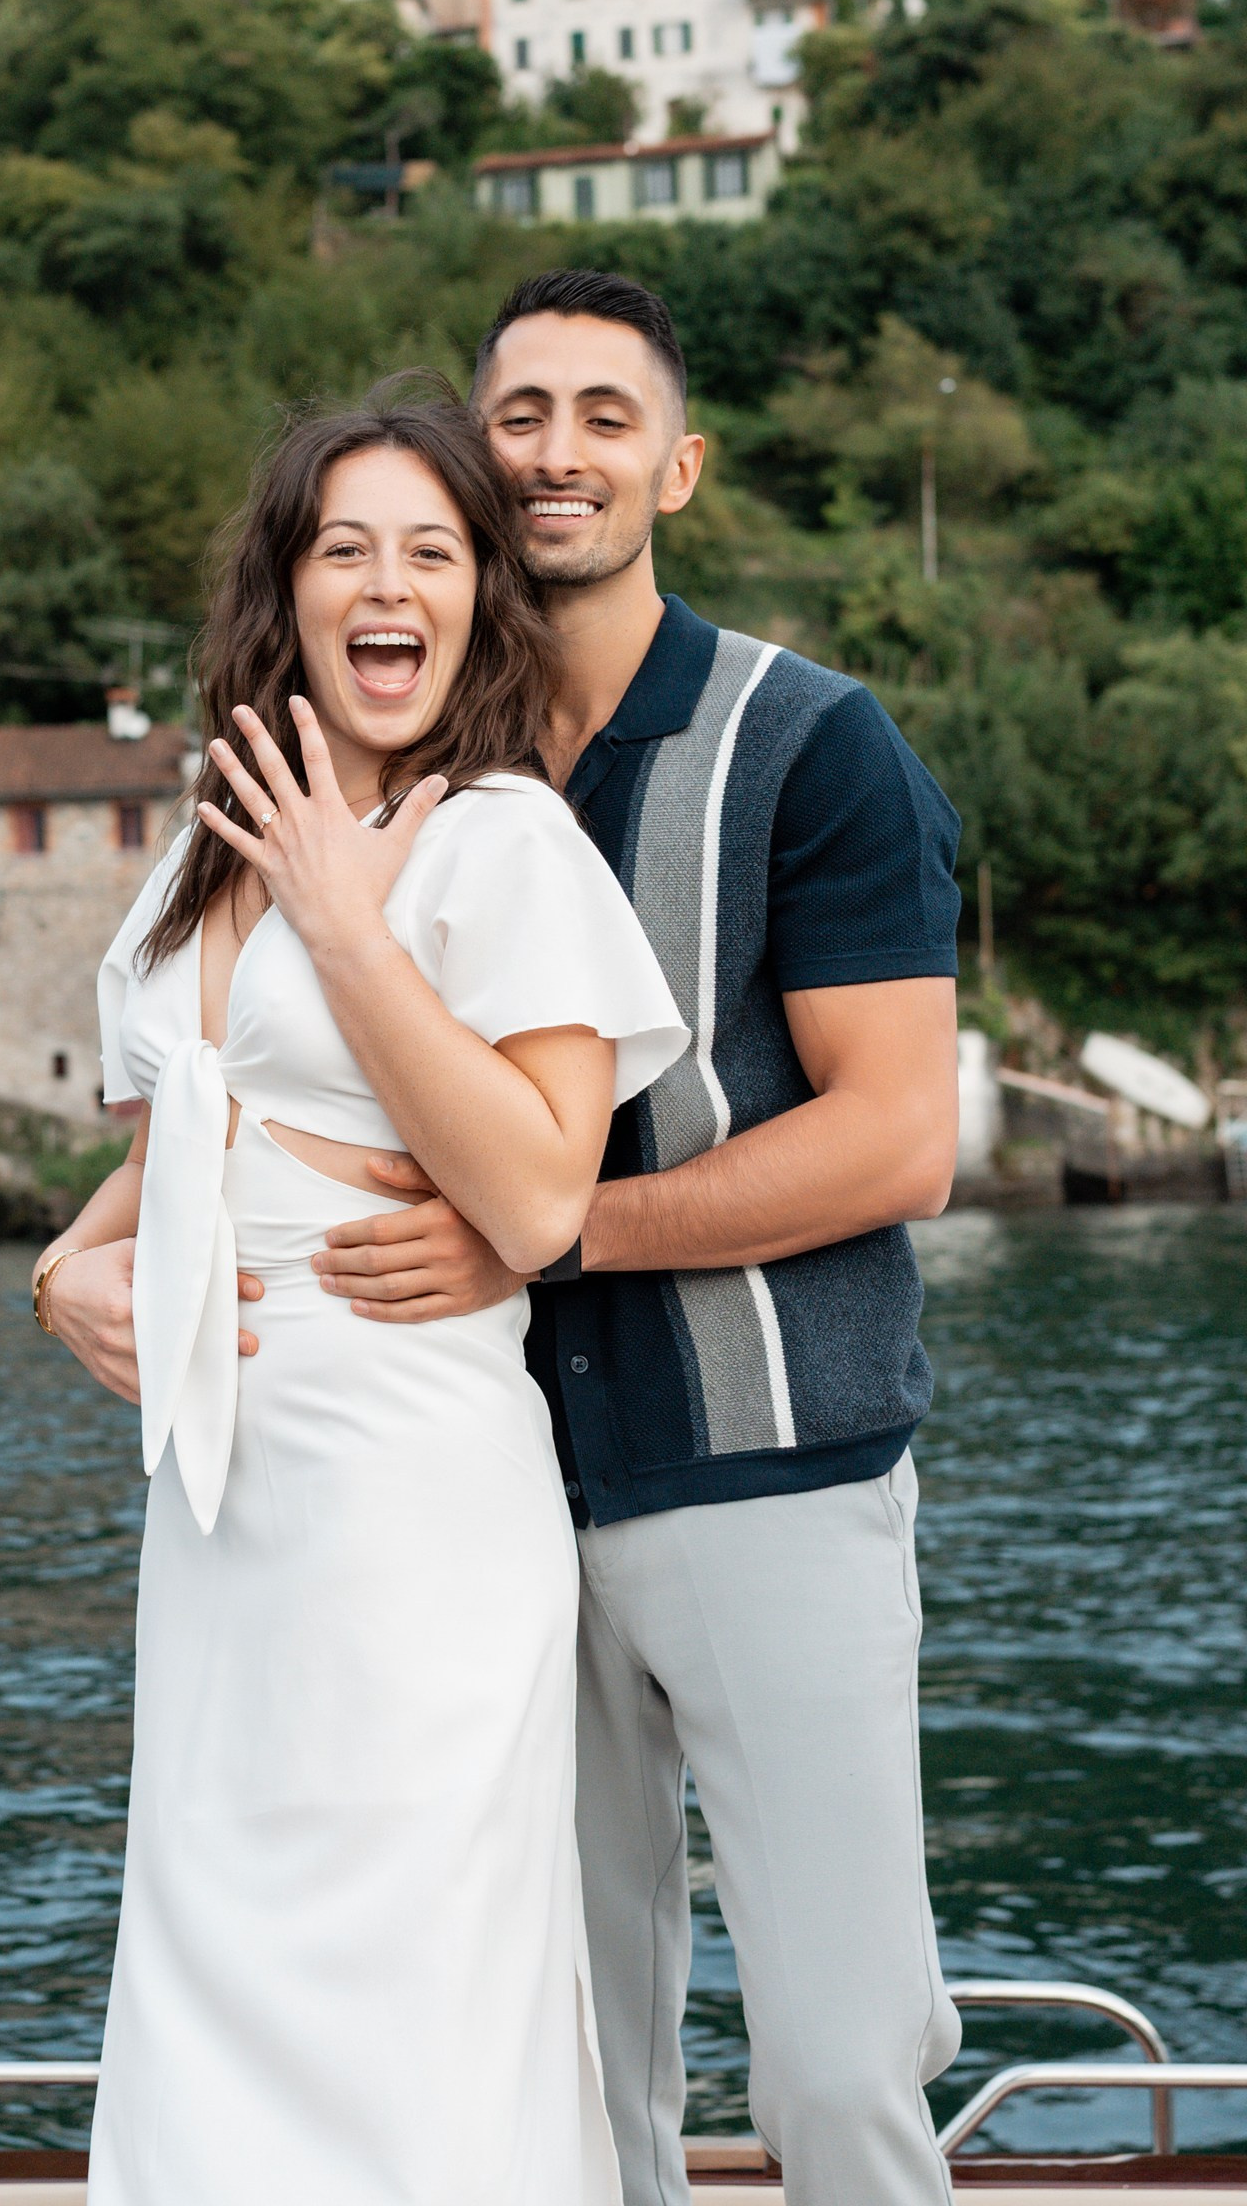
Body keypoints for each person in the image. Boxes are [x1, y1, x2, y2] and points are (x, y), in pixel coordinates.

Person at [306, 271, 968, 2206]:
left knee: (843, 2068)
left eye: (606, 417)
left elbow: (898, 1139)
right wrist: (79, 1251)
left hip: (772, 1477)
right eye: (520, 415)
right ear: (473, 452)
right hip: (494, 1494)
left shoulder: (809, 745)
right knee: (571, 2079)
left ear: (675, 466)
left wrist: (550, 1234)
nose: (557, 453)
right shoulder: (421, 773)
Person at [38, 390, 688, 2203]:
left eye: (431, 548)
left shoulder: (504, 845)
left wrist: (344, 924)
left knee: (417, 1962)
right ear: (288, 592)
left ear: (483, 593)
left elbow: (545, 1188)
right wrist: (58, 1274)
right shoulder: (196, 857)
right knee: (211, 1941)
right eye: (346, 548)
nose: (388, 584)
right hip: (223, 1499)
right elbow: (186, 1139)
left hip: (418, 1484)